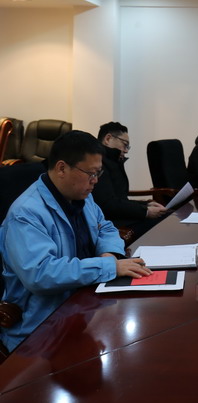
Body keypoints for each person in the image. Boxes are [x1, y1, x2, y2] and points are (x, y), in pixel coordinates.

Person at [0, 131, 152, 352]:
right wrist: (108, 267)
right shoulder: (26, 214)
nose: (95, 181)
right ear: (62, 168)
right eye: (91, 173)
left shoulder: (83, 197)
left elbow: (106, 227)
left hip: (84, 306)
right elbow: (41, 274)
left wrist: (109, 254)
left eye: (98, 173)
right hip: (42, 326)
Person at [91, 122, 167, 239]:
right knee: (163, 224)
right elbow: (108, 204)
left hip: (123, 217)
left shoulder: (113, 161)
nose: (126, 151)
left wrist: (145, 204)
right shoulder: (99, 163)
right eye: (125, 144)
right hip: (113, 223)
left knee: (166, 217)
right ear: (108, 139)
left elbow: (120, 199)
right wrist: (145, 211)